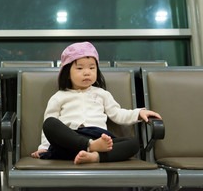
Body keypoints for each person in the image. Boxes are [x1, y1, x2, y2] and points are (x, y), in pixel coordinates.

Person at [31, 42, 162, 164]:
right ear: (67, 72)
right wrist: (44, 147)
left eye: (92, 68)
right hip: (71, 141)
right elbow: (49, 127)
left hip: (99, 139)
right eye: (80, 68)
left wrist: (139, 113)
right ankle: (90, 147)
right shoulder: (59, 97)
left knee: (132, 143)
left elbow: (117, 113)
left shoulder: (102, 94)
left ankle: (95, 157)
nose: (87, 72)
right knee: (49, 123)